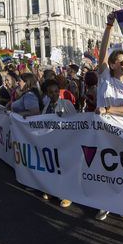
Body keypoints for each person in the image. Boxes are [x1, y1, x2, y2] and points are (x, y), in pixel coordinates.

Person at [95, 12, 123, 221]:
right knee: (104, 167)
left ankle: (122, 203)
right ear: (111, 65)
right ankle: (104, 203)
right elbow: (102, 52)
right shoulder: (105, 77)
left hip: (122, 131)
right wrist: (109, 26)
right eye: (120, 62)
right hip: (102, 130)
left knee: (122, 168)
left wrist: (108, 109)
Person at [41, 78, 76, 208]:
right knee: (52, 167)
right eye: (51, 92)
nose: (54, 94)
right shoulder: (46, 107)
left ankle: (67, 195)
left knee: (65, 168)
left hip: (65, 142)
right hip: (51, 142)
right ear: (46, 94)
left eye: (56, 91)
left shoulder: (66, 104)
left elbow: (75, 122)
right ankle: (52, 190)